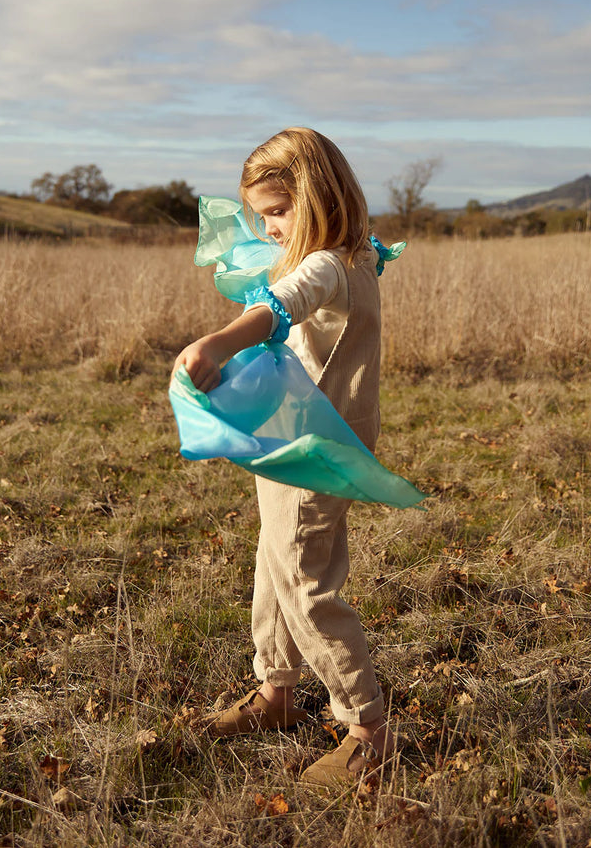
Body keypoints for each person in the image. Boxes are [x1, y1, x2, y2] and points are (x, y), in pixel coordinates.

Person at [172, 127, 395, 786]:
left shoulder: (327, 265)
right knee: (275, 558)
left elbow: (278, 311)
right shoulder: (347, 254)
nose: (268, 227)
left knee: (305, 581)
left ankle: (368, 728)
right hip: (295, 435)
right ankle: (275, 692)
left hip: (319, 445)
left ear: (319, 195)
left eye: (278, 210)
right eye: (261, 214)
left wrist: (218, 341)